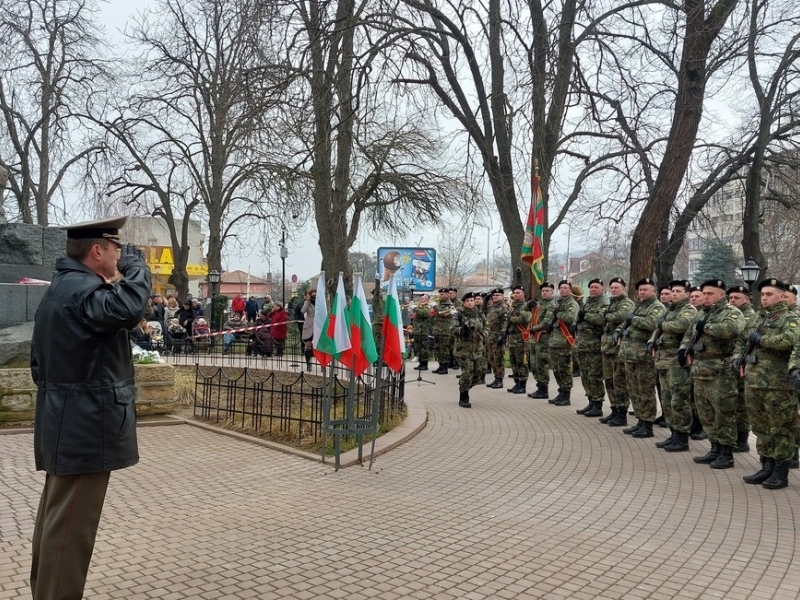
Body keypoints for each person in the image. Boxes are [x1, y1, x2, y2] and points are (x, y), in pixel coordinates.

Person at [29, 216, 151, 600]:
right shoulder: (83, 292)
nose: (120, 256)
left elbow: (37, 365)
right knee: (69, 536)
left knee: (55, 525)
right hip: (85, 429)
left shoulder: (62, 288)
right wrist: (138, 268)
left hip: (67, 424)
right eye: (116, 249)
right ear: (96, 251)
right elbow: (129, 307)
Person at [680, 279, 745, 469]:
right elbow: (688, 334)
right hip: (700, 369)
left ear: (721, 294)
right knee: (705, 412)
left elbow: (731, 330)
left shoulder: (732, 312)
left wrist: (706, 327)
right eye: (704, 293)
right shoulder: (701, 313)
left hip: (720, 371)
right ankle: (714, 447)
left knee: (723, 412)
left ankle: (726, 452)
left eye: (710, 294)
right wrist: (683, 350)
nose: (706, 297)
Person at [740, 279, 799, 489]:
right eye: (762, 294)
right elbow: (745, 341)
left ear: (782, 296)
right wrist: (738, 360)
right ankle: (766, 466)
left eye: (769, 294)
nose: (764, 298)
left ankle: (780, 473)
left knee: (780, 428)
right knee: (761, 427)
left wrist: (762, 340)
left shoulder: (791, 318)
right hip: (755, 381)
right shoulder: (758, 318)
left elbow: (789, 340)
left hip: (778, 384)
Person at [616, 278, 665, 438]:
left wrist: (634, 320)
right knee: (634, 389)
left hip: (643, 356)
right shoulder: (639, 306)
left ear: (653, 291)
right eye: (640, 290)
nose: (642, 292)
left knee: (645, 390)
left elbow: (653, 323)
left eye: (646, 289)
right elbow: (626, 323)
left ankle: (648, 423)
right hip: (630, 355)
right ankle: (640, 420)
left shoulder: (657, 307)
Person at [651, 280, 696, 451]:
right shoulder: (671, 310)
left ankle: (682, 437)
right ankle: (673, 433)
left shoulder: (689, 310)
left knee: (679, 400)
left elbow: (681, 326)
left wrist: (662, 324)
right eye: (673, 290)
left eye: (678, 291)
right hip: (663, 360)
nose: (674, 293)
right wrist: (652, 341)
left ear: (686, 293)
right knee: (667, 399)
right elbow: (657, 330)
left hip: (677, 362)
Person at [599, 277, 636, 426]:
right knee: (609, 381)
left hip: (618, 350)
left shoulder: (627, 304)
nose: (613, 290)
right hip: (607, 347)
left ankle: (622, 412)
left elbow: (620, 317)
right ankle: (614, 409)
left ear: (624, 288)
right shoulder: (612, 304)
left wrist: (606, 315)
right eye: (612, 287)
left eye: (617, 287)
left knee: (619, 381)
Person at [727, 284, 757, 452]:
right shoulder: (731, 314)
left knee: (741, 404)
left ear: (747, 299)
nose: (732, 301)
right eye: (730, 298)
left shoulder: (750, 317)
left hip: (743, 365)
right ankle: (737, 437)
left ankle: (743, 439)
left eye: (736, 298)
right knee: (734, 402)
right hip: (733, 362)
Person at [575, 279, 608, 417]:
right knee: (585, 375)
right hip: (582, 345)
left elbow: (601, 319)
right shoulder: (588, 302)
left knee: (595, 376)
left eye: (596, 287)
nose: (593, 289)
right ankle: (590, 401)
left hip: (594, 346)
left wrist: (586, 315)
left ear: (602, 289)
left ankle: (598, 404)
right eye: (591, 287)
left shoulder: (604, 303)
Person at [452, 292, 487, 408]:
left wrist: (484, 334)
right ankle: (464, 396)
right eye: (467, 301)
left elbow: (487, 326)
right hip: (463, 350)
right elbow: (452, 330)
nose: (470, 303)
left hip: (477, 349)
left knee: (479, 372)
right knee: (467, 373)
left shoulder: (479, 314)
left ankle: (465, 386)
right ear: (463, 302)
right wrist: (463, 329)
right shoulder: (458, 314)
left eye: (472, 300)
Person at [548, 280, 579, 405]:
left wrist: (558, 314)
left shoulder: (572, 303)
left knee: (564, 370)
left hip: (564, 341)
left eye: (565, 288)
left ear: (570, 289)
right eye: (561, 288)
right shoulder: (559, 303)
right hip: (555, 341)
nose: (563, 290)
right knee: (556, 370)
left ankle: (566, 396)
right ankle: (561, 392)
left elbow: (570, 318)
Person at [528, 282, 556, 399]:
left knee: (541, 364)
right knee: (534, 364)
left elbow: (546, 322)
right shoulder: (540, 304)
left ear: (552, 292)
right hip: (535, 338)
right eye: (543, 291)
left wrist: (534, 328)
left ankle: (543, 389)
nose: (544, 293)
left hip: (544, 338)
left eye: (547, 291)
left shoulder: (550, 306)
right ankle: (539, 386)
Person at [506, 285, 532, 394]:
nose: (516, 295)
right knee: (513, 361)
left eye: (518, 293)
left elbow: (524, 318)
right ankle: (516, 383)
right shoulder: (513, 306)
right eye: (514, 293)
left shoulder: (525, 306)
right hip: (512, 338)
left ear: (523, 294)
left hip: (521, 338)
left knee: (522, 362)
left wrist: (510, 318)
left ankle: (522, 385)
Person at [486, 288, 510, 389]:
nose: (495, 297)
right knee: (492, 359)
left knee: (498, 359)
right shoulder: (492, 307)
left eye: (497, 295)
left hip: (498, 337)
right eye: (494, 295)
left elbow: (505, 322)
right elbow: (483, 311)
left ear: (502, 296)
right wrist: (485, 300)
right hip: (490, 336)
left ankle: (500, 379)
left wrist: (502, 334)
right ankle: (496, 377)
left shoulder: (503, 308)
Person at [431, 288, 455, 374]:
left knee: (444, 349)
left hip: (445, 330)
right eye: (440, 294)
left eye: (442, 294)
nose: (440, 296)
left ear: (448, 295)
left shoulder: (449, 305)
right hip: (438, 330)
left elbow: (442, 313)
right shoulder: (439, 304)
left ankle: (445, 367)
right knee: (437, 348)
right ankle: (440, 365)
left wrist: (435, 306)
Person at [412, 294, 433, 371]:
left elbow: (425, 314)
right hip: (417, 330)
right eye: (421, 298)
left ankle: (424, 364)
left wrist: (415, 308)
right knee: (418, 348)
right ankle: (420, 363)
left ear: (427, 300)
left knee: (424, 348)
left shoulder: (428, 307)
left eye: (423, 298)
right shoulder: (419, 306)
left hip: (423, 330)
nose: (421, 300)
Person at [301, 289, 316, 370]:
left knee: (318, 346)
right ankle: (308, 364)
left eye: (315, 295)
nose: (314, 297)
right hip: (309, 325)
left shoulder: (319, 303)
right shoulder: (307, 303)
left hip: (317, 325)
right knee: (308, 345)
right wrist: (308, 301)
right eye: (312, 295)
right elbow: (302, 310)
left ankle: (322, 364)